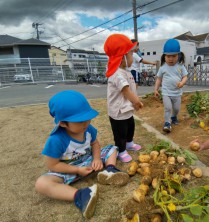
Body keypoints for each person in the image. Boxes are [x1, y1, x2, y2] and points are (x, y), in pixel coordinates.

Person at [35, 90, 129, 219]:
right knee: (42, 183)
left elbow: (95, 144)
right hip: (68, 170)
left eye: (87, 118)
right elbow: (53, 165)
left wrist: (96, 158)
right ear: (62, 123)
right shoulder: (56, 140)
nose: (86, 123)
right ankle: (81, 195)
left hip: (89, 162)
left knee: (112, 148)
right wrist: (77, 170)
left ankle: (109, 170)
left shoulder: (88, 129)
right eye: (79, 121)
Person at [104, 34, 144, 163]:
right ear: (122, 58)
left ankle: (129, 143)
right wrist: (136, 102)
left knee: (130, 127)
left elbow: (131, 89)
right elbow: (126, 90)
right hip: (118, 111)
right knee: (120, 133)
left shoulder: (125, 71)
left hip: (125, 108)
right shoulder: (116, 74)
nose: (133, 57)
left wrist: (134, 101)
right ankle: (121, 150)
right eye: (131, 54)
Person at [154, 39, 188, 133]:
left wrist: (182, 83)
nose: (171, 58)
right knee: (168, 108)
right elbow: (159, 79)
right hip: (166, 92)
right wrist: (156, 89)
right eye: (168, 56)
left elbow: (185, 77)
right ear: (164, 56)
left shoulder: (180, 66)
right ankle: (167, 123)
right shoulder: (163, 67)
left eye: (174, 56)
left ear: (178, 55)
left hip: (177, 93)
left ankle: (174, 117)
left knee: (176, 109)